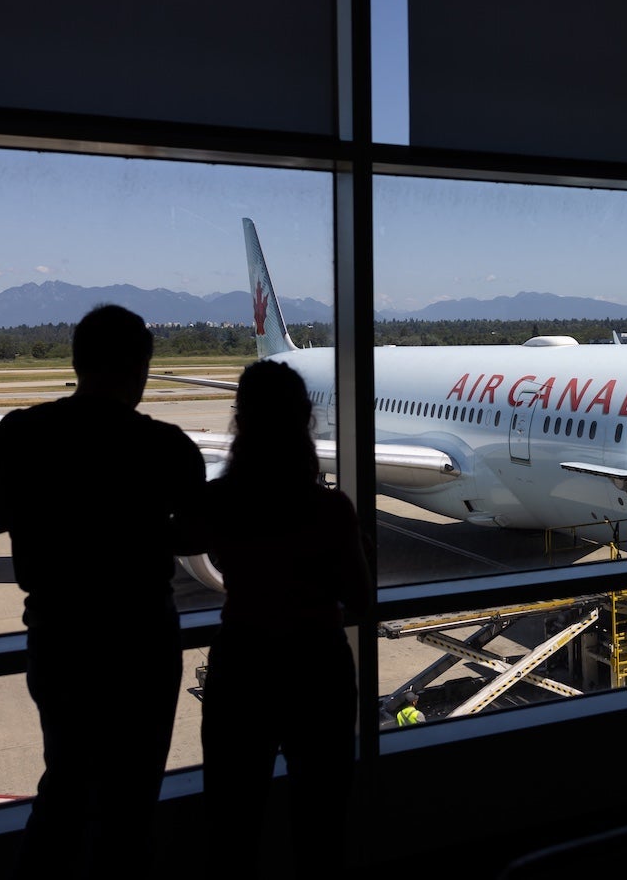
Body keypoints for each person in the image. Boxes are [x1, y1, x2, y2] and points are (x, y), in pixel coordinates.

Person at [0, 304, 206, 879]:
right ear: (143, 370)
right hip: (143, 643)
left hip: (62, 639)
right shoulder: (169, 446)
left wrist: (42, 509)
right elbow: (202, 533)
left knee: (65, 788)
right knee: (133, 805)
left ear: (77, 363)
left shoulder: (23, 432)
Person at [191, 359, 372, 878]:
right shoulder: (331, 509)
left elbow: (174, 539)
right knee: (321, 826)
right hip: (317, 666)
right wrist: (357, 550)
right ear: (306, 422)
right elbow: (360, 600)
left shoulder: (220, 499)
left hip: (243, 661)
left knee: (232, 824)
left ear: (240, 421)